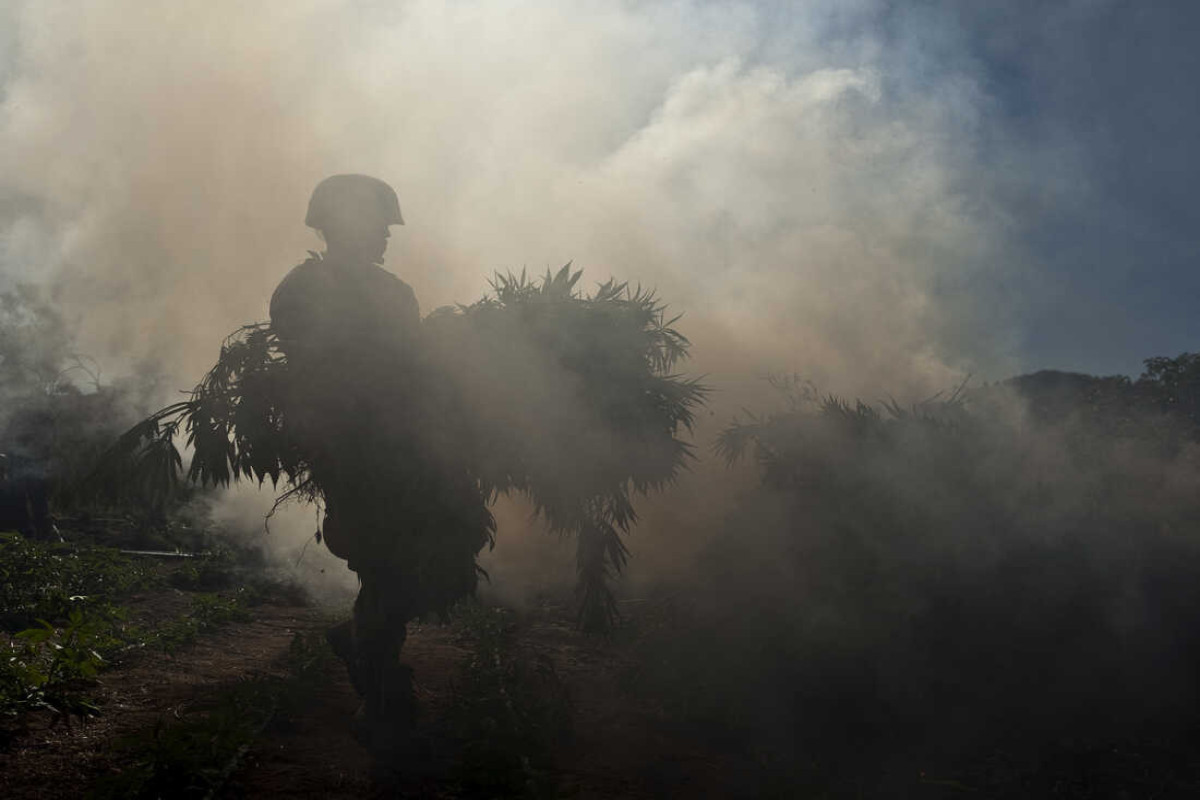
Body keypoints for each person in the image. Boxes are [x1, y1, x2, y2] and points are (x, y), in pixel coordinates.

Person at [270, 175, 491, 750]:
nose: (386, 240)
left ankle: (362, 645)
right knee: (387, 568)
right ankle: (381, 691)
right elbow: (314, 373)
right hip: (353, 453)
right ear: (342, 226)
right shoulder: (301, 289)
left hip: (406, 448)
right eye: (378, 227)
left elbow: (412, 369)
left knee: (442, 559)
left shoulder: (395, 292)